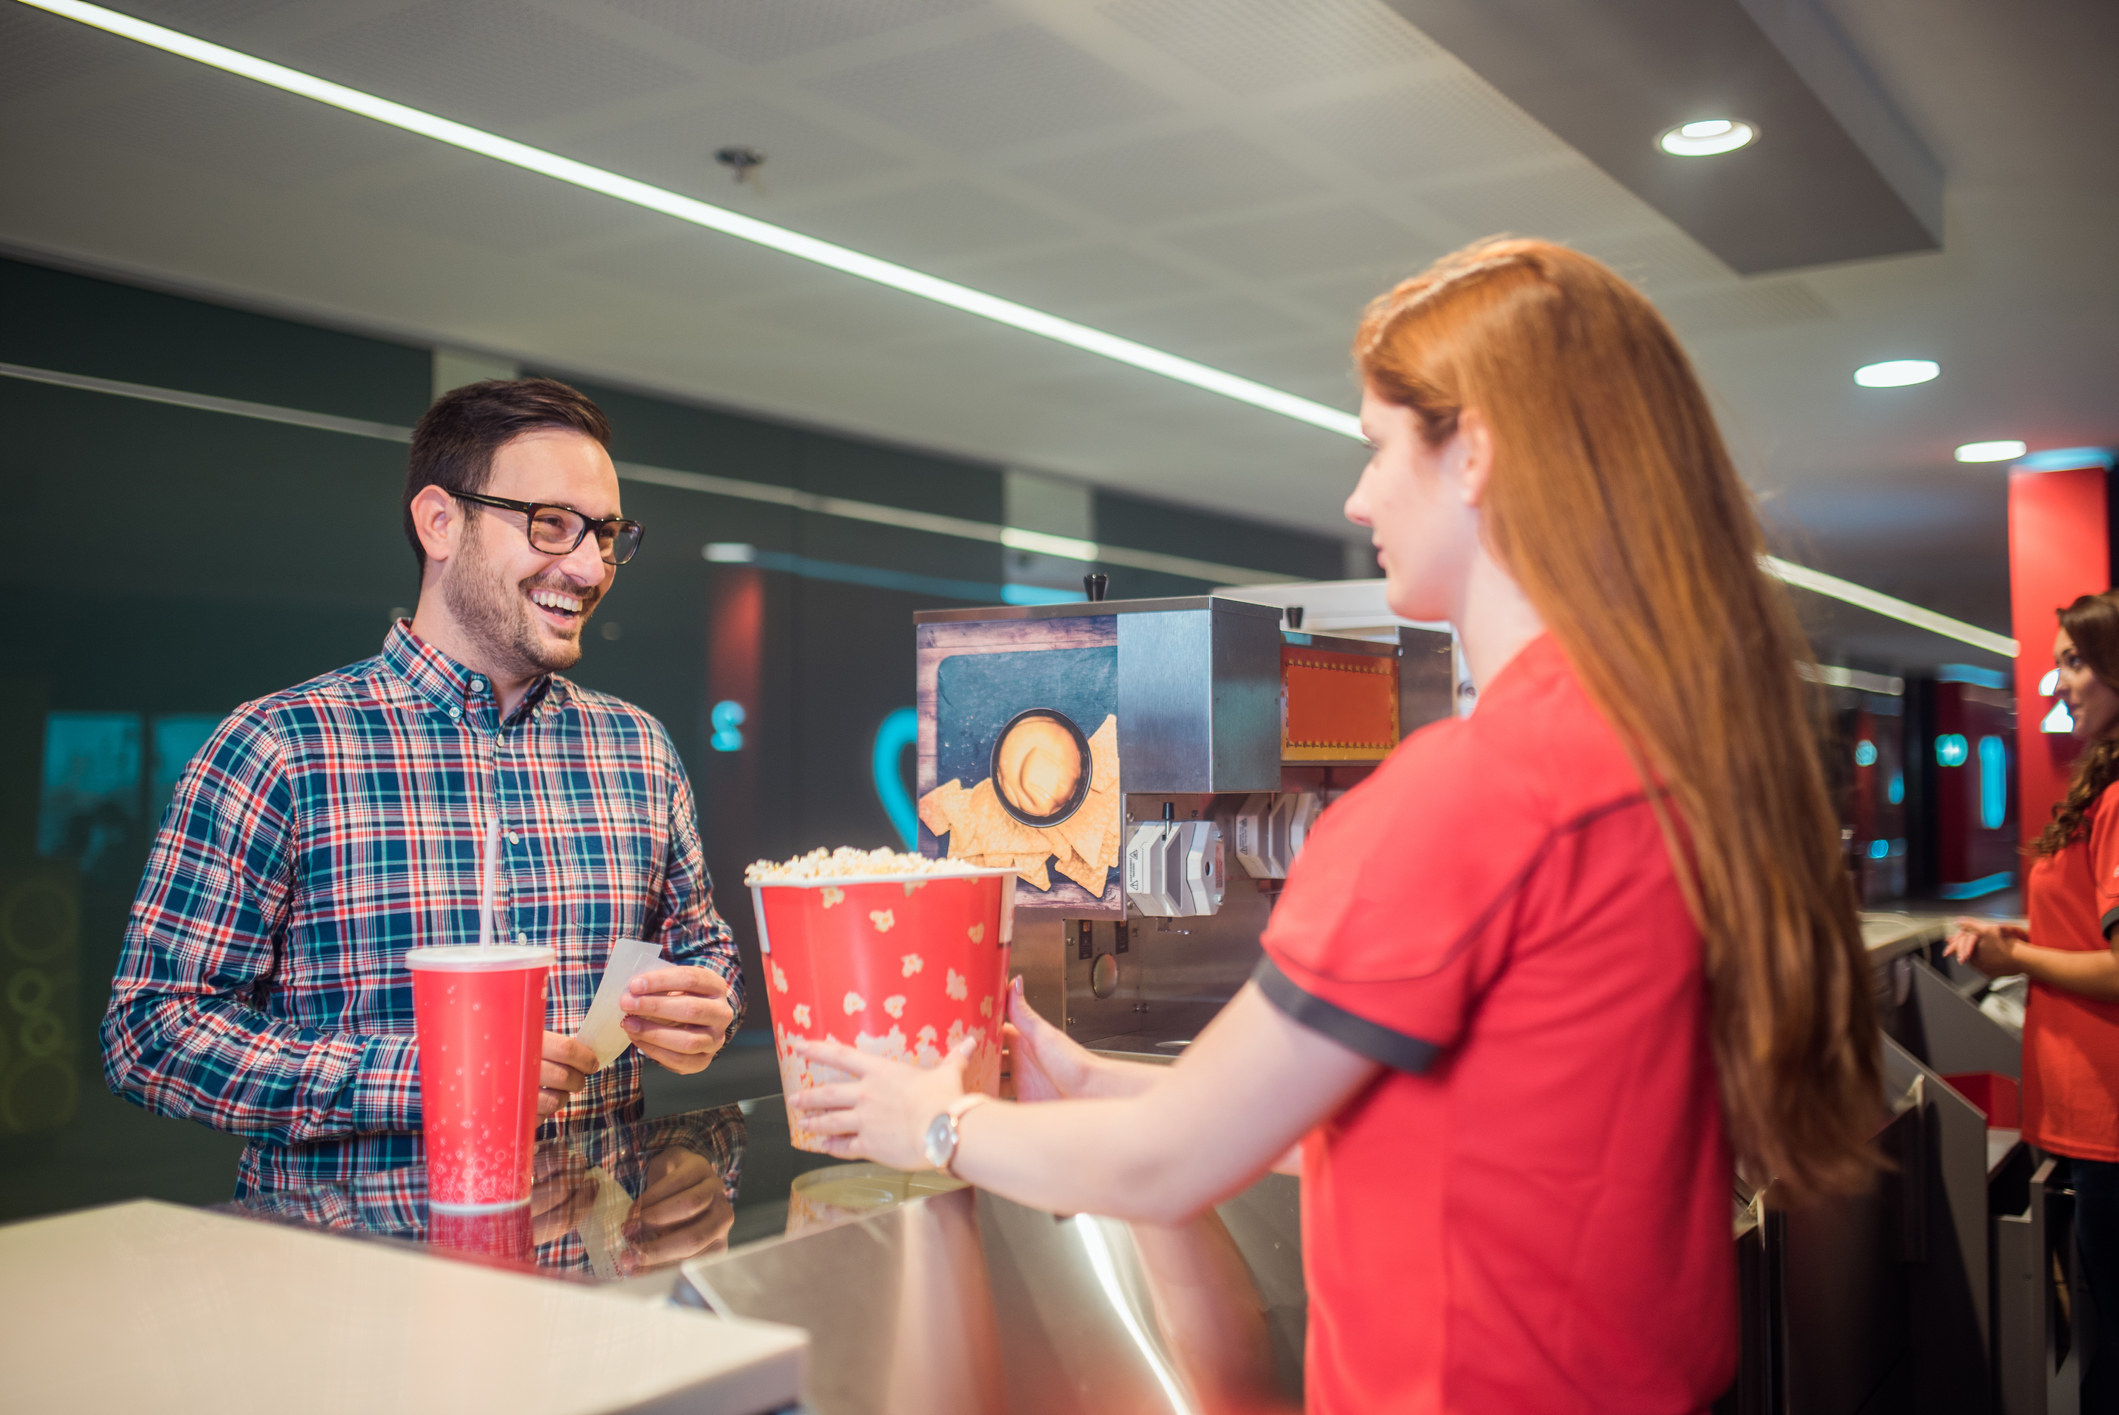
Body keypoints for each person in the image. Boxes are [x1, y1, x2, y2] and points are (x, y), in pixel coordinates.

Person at [791, 237, 1884, 1413]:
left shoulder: (1469, 792)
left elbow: (1169, 1170)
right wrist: (1102, 1082)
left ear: (1476, 452)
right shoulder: (1659, 755)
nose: (1357, 497)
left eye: (1375, 445)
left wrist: (935, 1120)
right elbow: (1470, 1134)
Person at [102, 377, 743, 1197]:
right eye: (551, 524)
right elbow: (151, 1032)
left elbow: (701, 948)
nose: (588, 566)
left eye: (606, 534)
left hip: (590, 1292)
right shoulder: (280, 747)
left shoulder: (637, 749)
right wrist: (427, 1076)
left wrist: (700, 1005)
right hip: (353, 1296)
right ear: (440, 522)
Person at [1948, 588, 2119, 1408]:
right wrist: (2013, 936)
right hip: (2086, 1111)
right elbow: (2087, 921)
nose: (2059, 682)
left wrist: (2021, 959)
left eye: (2074, 661)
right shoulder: (2104, 785)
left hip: (2109, 1112)